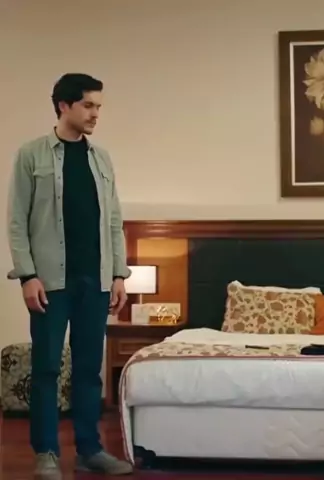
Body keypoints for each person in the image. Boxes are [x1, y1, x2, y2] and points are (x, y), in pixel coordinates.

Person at [6, 73, 133, 478]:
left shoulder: (102, 159)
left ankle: (89, 450)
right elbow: (16, 222)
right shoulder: (31, 155)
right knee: (46, 368)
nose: (96, 114)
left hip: (95, 282)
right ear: (64, 105)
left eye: (98, 106)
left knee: (88, 370)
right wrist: (27, 275)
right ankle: (46, 453)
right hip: (49, 283)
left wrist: (118, 274)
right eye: (88, 105)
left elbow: (113, 221)